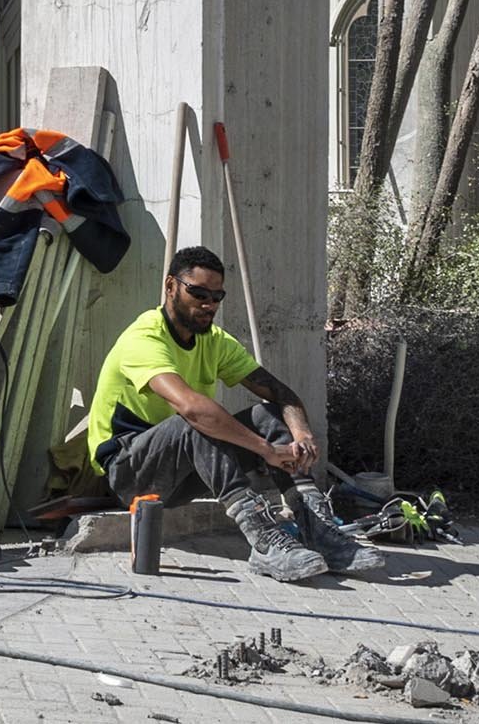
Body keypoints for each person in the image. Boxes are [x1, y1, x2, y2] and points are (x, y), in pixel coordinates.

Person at [86, 245, 381, 581]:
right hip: (129, 473)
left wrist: (302, 435)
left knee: (270, 415)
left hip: (184, 473)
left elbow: (281, 394)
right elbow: (192, 409)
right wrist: (265, 450)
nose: (208, 304)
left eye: (217, 297)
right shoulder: (144, 337)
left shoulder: (215, 341)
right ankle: (264, 542)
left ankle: (318, 530)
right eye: (198, 294)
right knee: (195, 420)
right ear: (170, 286)